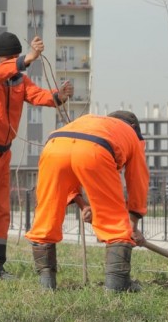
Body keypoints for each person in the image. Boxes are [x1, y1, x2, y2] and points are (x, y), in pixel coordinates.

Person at [0, 32, 74, 282]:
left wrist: (58, 96)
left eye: (15, 58)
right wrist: (26, 59)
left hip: (2, 154)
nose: (13, 64)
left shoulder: (18, 80)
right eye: (9, 59)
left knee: (0, 211)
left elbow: (37, 95)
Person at [25, 111, 148, 292]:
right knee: (115, 226)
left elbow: (71, 170)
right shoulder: (130, 134)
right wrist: (132, 224)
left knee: (46, 220)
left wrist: (84, 205)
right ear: (134, 128)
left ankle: (46, 286)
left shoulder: (91, 122)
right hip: (96, 149)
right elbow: (138, 181)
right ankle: (117, 288)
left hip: (53, 147)